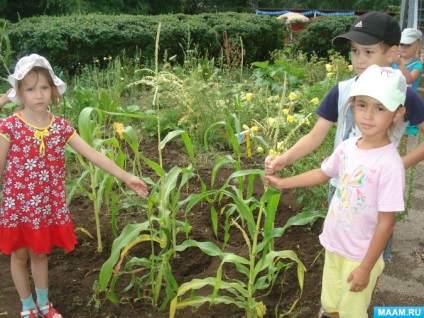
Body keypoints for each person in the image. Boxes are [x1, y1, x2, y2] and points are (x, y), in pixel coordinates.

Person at [264, 11, 424, 263]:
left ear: (392, 54)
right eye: (354, 50)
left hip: (377, 195)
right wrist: (284, 159)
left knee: (371, 258)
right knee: (341, 251)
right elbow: (316, 134)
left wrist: (401, 163)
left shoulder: (404, 95)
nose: (359, 59)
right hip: (340, 187)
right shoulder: (343, 90)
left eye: (368, 52)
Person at [0, 54, 149, 318]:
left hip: (47, 206)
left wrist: (126, 176)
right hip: (19, 206)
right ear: (20, 92)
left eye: (45, 87)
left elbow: (93, 154)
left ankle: (44, 304)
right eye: (30, 88)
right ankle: (26, 306)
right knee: (19, 256)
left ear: (54, 90)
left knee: (40, 254)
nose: (39, 94)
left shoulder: (60, 127)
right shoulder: (9, 127)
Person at [265, 65, 407, 318]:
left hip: (360, 256)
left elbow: (387, 223)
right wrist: (284, 183)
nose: (368, 115)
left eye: (380, 108)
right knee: (331, 307)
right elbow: (323, 173)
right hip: (334, 246)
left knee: (353, 312)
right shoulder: (349, 146)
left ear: (397, 115)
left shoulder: (390, 164)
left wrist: (366, 267)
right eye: (362, 104)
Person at [392, 28, 423, 136]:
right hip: (393, 101)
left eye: (408, 45)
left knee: (404, 135)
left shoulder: (417, 66)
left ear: (417, 47)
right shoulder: (393, 61)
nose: (404, 47)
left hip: (408, 103)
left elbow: (409, 79)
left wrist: (400, 64)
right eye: (401, 44)